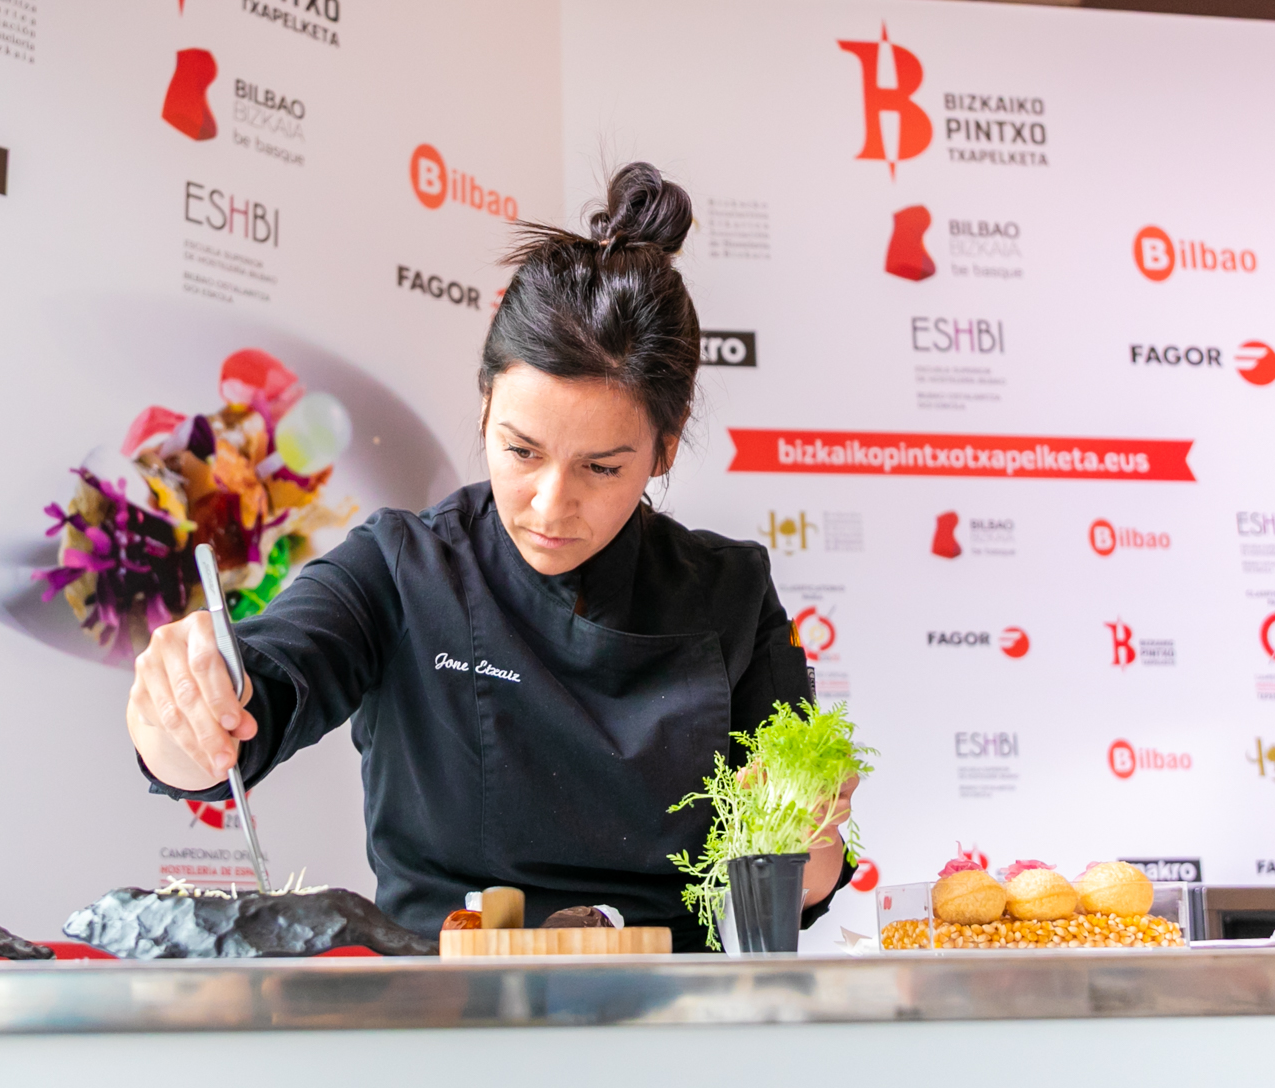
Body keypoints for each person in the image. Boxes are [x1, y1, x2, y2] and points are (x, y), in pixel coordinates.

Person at [127, 162, 857, 950]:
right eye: (521, 451)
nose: (549, 505)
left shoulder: (732, 591)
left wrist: (805, 837)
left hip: (668, 998)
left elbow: (797, 888)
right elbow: (243, 715)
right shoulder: (402, 568)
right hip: (448, 998)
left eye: (601, 468)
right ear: (485, 408)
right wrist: (182, 709)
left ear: (665, 448)